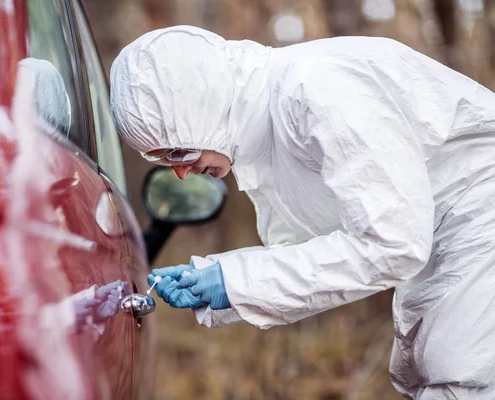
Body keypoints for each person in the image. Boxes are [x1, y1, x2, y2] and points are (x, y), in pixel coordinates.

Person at [109, 26, 495, 399]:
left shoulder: (317, 90)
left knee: (458, 368)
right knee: (423, 369)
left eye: (177, 151)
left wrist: (233, 281)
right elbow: (310, 251)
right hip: (445, 229)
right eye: (159, 158)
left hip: (479, 207)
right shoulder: (261, 142)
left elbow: (393, 244)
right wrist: (216, 277)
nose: (179, 172)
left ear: (201, 105)